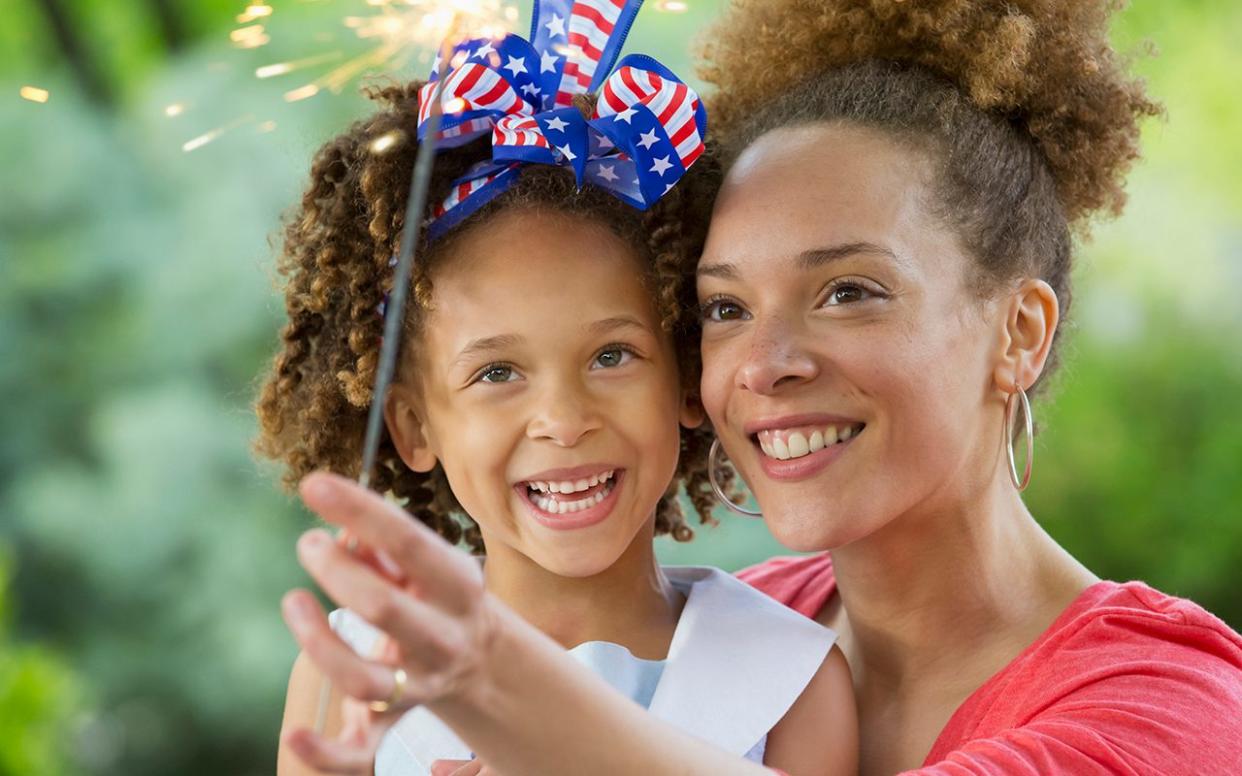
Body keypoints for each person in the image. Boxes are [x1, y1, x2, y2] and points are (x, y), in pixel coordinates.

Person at [279, 0, 1242, 774]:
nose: (765, 361)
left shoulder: (1168, 703)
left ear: (1018, 331)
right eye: (725, 308)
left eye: (849, 291)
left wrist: (495, 683)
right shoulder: (747, 618)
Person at [259, 4, 855, 774]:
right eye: (496, 373)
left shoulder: (792, 682)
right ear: (412, 427)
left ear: (685, 376)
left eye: (612, 355)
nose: (564, 421)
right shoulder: (353, 674)